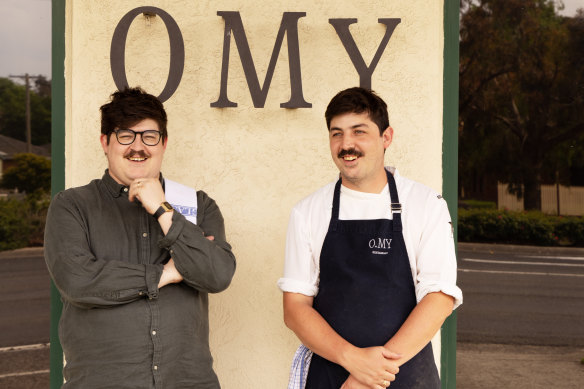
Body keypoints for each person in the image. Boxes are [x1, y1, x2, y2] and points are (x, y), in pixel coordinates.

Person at [44, 87, 236, 388]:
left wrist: (163, 210)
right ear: (105, 143)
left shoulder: (198, 205)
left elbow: (218, 274)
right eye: (125, 136)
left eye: (149, 136)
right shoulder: (72, 206)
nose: (138, 147)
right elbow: (78, 280)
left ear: (164, 143)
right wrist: (168, 272)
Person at [278, 87, 462, 389]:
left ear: (386, 137)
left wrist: (370, 376)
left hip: (405, 375)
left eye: (358, 132)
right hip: (333, 376)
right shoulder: (308, 212)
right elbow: (295, 308)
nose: (346, 144)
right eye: (336, 134)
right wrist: (353, 360)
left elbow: (439, 298)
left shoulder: (425, 204)